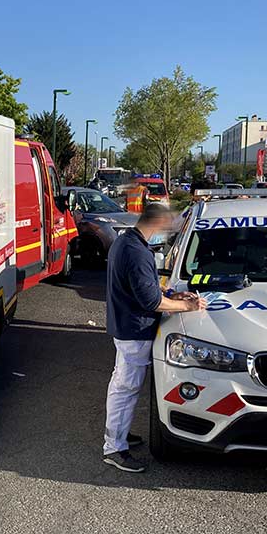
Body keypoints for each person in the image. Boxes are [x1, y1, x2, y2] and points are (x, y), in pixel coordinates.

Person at [103, 202, 207, 473]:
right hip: (135, 330)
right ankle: (114, 447)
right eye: (167, 225)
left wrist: (173, 296)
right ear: (156, 222)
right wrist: (188, 306)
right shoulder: (137, 252)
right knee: (125, 389)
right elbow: (150, 301)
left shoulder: (126, 242)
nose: (168, 231)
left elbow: (143, 288)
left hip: (126, 326)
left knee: (123, 386)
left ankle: (119, 435)